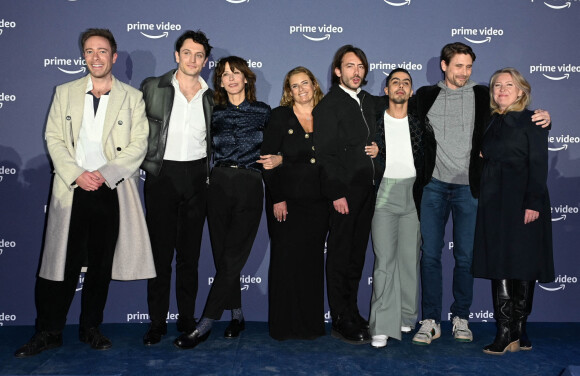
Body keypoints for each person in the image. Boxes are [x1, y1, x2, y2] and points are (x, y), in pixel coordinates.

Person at [14, 28, 155, 357]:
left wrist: (104, 175)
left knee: (101, 265)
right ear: (83, 56)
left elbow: (138, 144)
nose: (95, 57)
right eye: (89, 51)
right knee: (59, 265)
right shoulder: (64, 91)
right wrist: (78, 174)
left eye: (102, 51)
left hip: (111, 188)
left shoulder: (131, 98)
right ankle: (49, 331)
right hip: (72, 187)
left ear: (114, 57)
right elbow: (53, 138)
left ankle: (91, 327)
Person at [412, 42, 551, 346]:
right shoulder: (424, 97)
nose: (464, 72)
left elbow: (514, 113)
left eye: (469, 66)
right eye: (458, 66)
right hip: (433, 185)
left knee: (466, 258)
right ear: (444, 66)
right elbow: (401, 119)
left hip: (471, 190)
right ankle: (432, 319)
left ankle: (461, 316)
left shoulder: (481, 96)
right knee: (430, 255)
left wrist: (543, 117)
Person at [174, 56, 271, 349]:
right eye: (224, 74)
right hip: (217, 185)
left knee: (233, 257)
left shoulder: (264, 112)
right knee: (222, 254)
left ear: (246, 78)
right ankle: (237, 316)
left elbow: (282, 146)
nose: (230, 78)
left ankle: (205, 323)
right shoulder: (212, 112)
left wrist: (281, 158)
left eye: (235, 73)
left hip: (250, 184)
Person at [140, 30, 213, 345]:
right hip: (161, 177)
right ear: (176, 55)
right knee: (158, 255)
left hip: (198, 178)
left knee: (189, 257)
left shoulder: (212, 96)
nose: (193, 59)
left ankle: (186, 318)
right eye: (187, 53)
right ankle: (156, 322)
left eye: (199, 55)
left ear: (205, 61)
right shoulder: (152, 87)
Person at [473, 68, 553, 355]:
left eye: (509, 85)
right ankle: (513, 331)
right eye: (497, 85)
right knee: (501, 262)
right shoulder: (492, 121)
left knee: (523, 263)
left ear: (521, 91)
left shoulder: (533, 121)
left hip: (522, 202)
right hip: (495, 203)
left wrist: (532, 202)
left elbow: (539, 164)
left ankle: (514, 330)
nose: (502, 89)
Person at [313, 45, 382, 345]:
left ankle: (352, 311)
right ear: (338, 71)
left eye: (361, 66)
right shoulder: (328, 106)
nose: (356, 72)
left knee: (357, 255)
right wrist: (337, 193)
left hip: (368, 191)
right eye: (350, 66)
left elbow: (388, 128)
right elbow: (325, 156)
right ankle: (340, 318)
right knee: (340, 255)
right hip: (344, 193)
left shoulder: (368, 101)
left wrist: (379, 150)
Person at [260, 66, 329, 340]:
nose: (301, 90)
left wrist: (286, 159)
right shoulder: (279, 116)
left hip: (318, 203)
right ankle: (282, 326)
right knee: (285, 263)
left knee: (311, 264)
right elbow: (267, 161)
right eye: (294, 86)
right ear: (288, 91)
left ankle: (310, 326)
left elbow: (329, 159)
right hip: (285, 202)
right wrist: (277, 198)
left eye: (305, 83)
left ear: (314, 85)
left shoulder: (327, 116)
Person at [369, 68, 424, 348]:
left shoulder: (420, 124)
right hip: (385, 194)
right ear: (386, 90)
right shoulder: (374, 122)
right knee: (385, 262)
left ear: (411, 91)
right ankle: (381, 324)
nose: (401, 87)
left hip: (413, 194)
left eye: (406, 83)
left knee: (408, 260)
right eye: (395, 82)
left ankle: (406, 315)